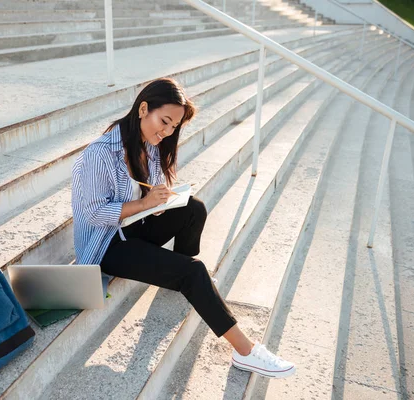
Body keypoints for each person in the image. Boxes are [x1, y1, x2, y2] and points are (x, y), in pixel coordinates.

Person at [71, 77, 295, 378]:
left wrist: (162, 197)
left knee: (194, 209)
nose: (166, 132)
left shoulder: (147, 143)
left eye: (173, 127)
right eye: (164, 122)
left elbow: (147, 192)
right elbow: (94, 213)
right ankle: (246, 352)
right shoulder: (100, 153)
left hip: (130, 227)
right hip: (106, 245)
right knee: (194, 272)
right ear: (143, 108)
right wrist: (146, 203)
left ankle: (186, 280)